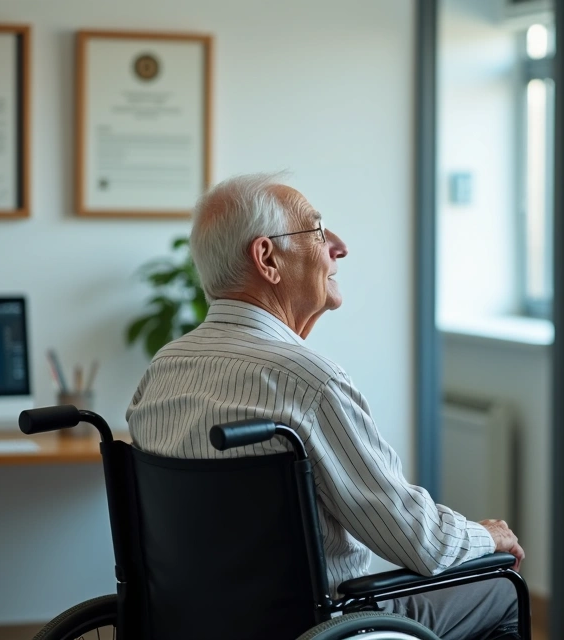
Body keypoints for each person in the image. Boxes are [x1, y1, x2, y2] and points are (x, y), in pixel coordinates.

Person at [127, 173, 523, 640]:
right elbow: (419, 542)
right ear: (267, 258)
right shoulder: (308, 381)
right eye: (316, 231)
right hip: (322, 627)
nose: (339, 246)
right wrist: (488, 535)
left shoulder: (163, 368)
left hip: (193, 623)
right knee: (502, 587)